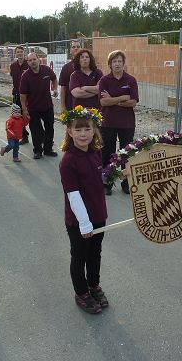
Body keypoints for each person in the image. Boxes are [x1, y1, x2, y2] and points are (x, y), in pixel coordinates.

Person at [58, 106, 108, 314]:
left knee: (95, 253)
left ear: (94, 129)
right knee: (79, 256)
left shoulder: (96, 152)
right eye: (77, 130)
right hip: (79, 221)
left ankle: (93, 285)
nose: (83, 134)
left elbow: (101, 176)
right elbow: (73, 194)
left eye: (87, 129)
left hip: (98, 214)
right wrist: (84, 223)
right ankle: (81, 292)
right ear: (70, 132)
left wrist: (117, 174)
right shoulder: (68, 161)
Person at [98, 50, 138, 195]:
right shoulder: (104, 81)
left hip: (127, 123)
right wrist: (122, 97)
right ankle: (107, 182)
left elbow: (133, 102)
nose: (117, 64)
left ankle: (126, 182)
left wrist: (113, 100)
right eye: (114, 61)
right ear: (110, 64)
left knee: (126, 153)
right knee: (107, 152)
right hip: (107, 122)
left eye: (120, 61)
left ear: (123, 63)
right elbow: (103, 101)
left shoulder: (131, 80)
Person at [19, 52, 58, 159]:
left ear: (38, 60)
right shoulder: (25, 76)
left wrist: (54, 89)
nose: (32, 62)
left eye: (34, 59)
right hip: (33, 108)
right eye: (30, 60)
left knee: (50, 128)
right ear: (28, 62)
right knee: (35, 130)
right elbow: (23, 95)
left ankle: (48, 149)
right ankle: (37, 151)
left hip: (47, 106)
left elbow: (54, 78)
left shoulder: (46, 70)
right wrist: (24, 109)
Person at [9, 46, 30, 144]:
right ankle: (24, 136)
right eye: (18, 52)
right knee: (18, 116)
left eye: (21, 52)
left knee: (31, 116)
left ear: (24, 53)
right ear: (15, 54)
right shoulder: (13, 66)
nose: (20, 53)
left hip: (29, 95)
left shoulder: (28, 64)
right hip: (17, 94)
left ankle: (40, 136)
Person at [59, 39, 82, 112]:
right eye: (73, 47)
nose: (76, 48)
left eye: (78, 46)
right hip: (70, 105)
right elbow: (63, 88)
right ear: (70, 50)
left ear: (81, 49)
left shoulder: (89, 66)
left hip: (87, 105)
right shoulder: (66, 68)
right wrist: (62, 106)